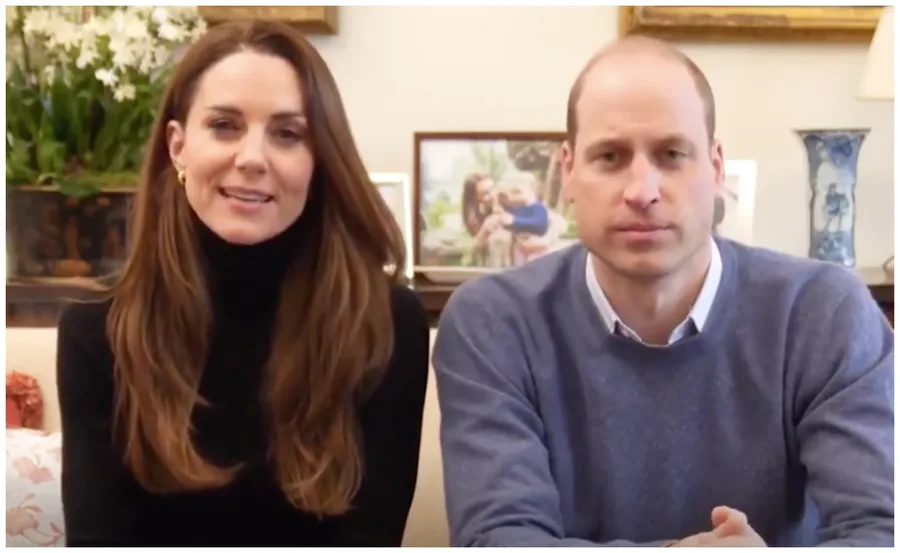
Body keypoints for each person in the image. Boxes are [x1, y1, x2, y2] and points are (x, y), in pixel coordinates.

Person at [432, 35, 893, 547]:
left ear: (716, 167)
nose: (642, 191)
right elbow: (500, 538)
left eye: (672, 154)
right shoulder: (492, 323)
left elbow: (880, 528)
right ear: (567, 172)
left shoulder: (823, 313)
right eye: (610, 157)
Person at [56, 20, 430, 546]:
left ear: (318, 161)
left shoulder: (387, 325)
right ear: (177, 146)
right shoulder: (95, 334)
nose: (252, 158)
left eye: (287, 133)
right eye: (225, 125)